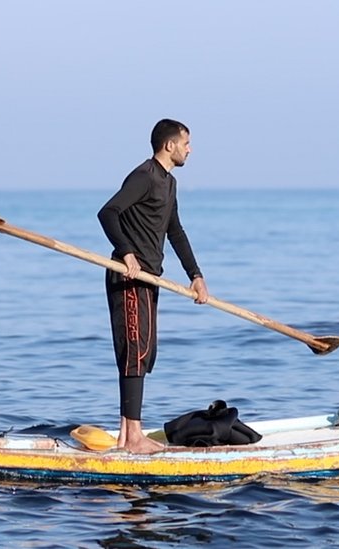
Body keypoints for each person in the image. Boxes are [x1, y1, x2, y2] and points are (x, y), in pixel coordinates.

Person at [98, 118, 209, 454]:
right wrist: (126, 252)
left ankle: (126, 435)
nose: (190, 149)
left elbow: (175, 231)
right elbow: (108, 213)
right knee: (135, 352)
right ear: (169, 145)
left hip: (149, 278)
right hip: (129, 276)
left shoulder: (168, 183)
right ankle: (133, 437)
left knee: (144, 353)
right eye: (186, 143)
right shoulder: (144, 176)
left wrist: (196, 275)